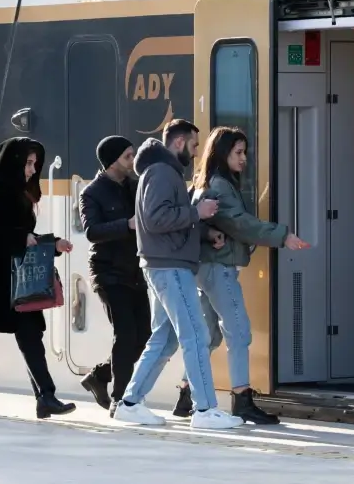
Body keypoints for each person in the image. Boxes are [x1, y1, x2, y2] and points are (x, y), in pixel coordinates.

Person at [113, 119, 243, 429]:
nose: (197, 153)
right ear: (180, 143)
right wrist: (197, 213)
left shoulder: (158, 171)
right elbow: (158, 219)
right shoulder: (162, 172)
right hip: (170, 266)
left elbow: (163, 221)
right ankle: (205, 409)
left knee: (165, 337)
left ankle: (130, 402)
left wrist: (203, 232)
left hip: (162, 264)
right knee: (195, 334)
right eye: (195, 145)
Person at [172, 126, 308, 424]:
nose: (244, 158)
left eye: (244, 152)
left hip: (205, 268)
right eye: (238, 152)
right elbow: (240, 224)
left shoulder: (208, 182)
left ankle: (185, 394)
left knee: (208, 335)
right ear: (223, 154)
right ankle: (242, 398)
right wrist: (282, 235)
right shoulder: (221, 186)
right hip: (218, 268)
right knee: (239, 331)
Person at [0, 137, 77, 419]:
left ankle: (46, 396)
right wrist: (21, 237)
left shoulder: (23, 195)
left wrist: (52, 244)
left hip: (21, 278)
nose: (33, 169)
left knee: (32, 337)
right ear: (14, 162)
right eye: (28, 163)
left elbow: (25, 237)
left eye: (35, 163)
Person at [78, 136, 151, 415]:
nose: (133, 161)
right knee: (125, 334)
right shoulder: (92, 192)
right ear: (111, 161)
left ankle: (100, 375)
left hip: (136, 270)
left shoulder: (136, 186)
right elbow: (92, 232)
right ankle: (120, 400)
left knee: (144, 335)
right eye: (127, 156)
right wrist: (128, 224)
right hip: (108, 272)